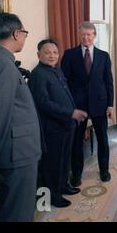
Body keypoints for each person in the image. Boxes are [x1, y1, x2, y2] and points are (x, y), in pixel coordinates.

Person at [0, 13, 41, 221]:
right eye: (24, 33)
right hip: (16, 153)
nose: (25, 37)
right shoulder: (3, 65)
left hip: (10, 150)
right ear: (16, 33)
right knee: (18, 211)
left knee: (8, 206)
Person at [28, 39, 88, 208]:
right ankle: (52, 196)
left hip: (66, 125)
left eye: (55, 52)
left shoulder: (57, 70)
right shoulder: (38, 74)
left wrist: (73, 113)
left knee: (64, 160)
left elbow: (66, 94)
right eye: (47, 52)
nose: (52, 55)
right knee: (52, 163)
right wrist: (71, 112)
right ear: (38, 54)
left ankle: (62, 186)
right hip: (52, 128)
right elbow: (43, 102)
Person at [61, 22, 114, 186]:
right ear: (79, 35)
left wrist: (110, 105)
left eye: (89, 34)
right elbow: (64, 83)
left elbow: (108, 82)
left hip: (99, 104)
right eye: (83, 34)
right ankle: (76, 175)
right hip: (78, 106)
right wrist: (70, 107)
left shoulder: (104, 56)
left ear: (94, 36)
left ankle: (104, 171)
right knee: (77, 142)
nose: (86, 37)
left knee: (103, 140)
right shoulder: (69, 55)